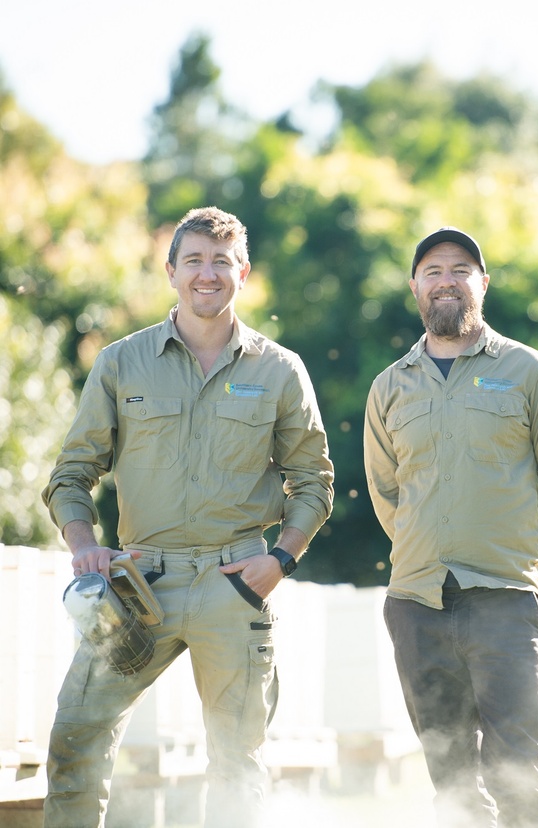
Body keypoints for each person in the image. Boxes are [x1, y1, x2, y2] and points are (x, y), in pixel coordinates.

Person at [41, 206, 334, 828]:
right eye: (194, 261)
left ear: (243, 273)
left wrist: (279, 560)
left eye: (221, 262)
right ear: (171, 271)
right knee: (76, 738)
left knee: (236, 763)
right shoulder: (122, 362)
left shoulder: (279, 370)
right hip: (135, 586)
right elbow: (72, 473)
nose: (208, 274)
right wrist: (83, 545)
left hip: (234, 585)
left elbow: (313, 481)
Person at [364, 227, 538, 828]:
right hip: (417, 603)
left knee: (518, 769)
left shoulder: (529, 371)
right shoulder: (389, 386)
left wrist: (534, 545)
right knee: (451, 777)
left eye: (460, 269)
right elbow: (387, 491)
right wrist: (425, 547)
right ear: (415, 286)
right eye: (433, 270)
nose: (446, 280)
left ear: (481, 284)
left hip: (504, 597)